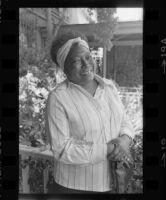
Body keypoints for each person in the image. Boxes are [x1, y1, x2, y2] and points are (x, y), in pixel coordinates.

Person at [45, 31, 135, 193]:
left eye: (88, 57)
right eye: (75, 61)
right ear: (63, 68)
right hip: (75, 188)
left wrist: (124, 140)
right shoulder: (58, 98)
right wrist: (108, 149)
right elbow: (62, 148)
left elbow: (124, 121)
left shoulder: (108, 87)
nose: (86, 64)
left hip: (113, 182)